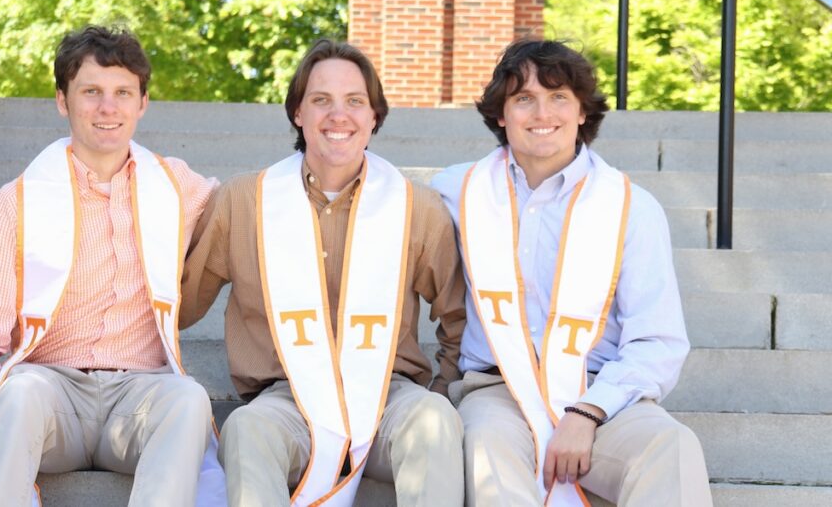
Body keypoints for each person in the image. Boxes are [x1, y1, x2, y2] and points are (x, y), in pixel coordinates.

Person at [180, 39, 466, 506]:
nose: (339, 115)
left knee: (435, 419)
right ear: (297, 112)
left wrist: (442, 384)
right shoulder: (244, 201)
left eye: (355, 101)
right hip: (286, 400)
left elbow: (458, 315)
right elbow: (181, 303)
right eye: (321, 100)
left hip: (386, 399)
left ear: (374, 117)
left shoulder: (416, 207)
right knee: (246, 430)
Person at [0, 25, 225, 507]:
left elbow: (246, 215)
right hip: (52, 397)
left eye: (122, 92)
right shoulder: (13, 207)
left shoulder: (178, 187)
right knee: (17, 393)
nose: (107, 107)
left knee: (189, 399)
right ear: (62, 100)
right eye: (91, 91)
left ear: (143, 104)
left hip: (139, 399)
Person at [431, 39, 713, 506]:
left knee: (672, 447)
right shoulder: (455, 193)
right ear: (502, 114)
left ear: (583, 111)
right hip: (497, 392)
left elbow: (658, 341)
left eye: (558, 96)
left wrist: (588, 411)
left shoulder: (632, 209)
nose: (543, 112)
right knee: (486, 453)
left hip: (601, 391)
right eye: (524, 98)